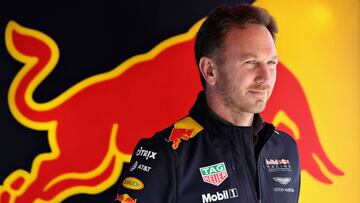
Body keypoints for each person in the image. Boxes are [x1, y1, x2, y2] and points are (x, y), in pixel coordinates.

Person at [113, 4, 300, 203]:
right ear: (210, 70)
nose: (265, 77)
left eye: (271, 63)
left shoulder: (284, 149)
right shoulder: (166, 155)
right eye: (250, 62)